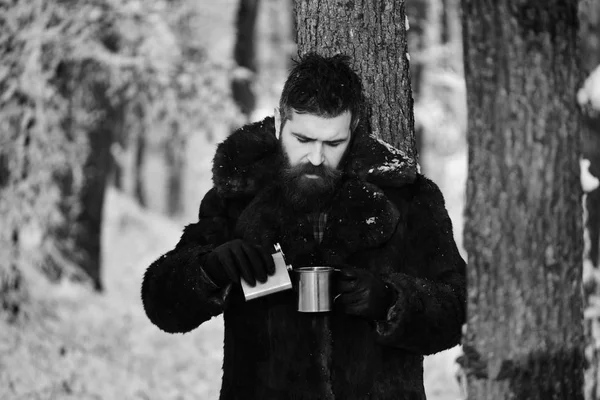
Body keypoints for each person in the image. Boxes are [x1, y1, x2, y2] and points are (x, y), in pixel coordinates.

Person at [141, 53, 466, 400]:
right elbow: (163, 306)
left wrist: (391, 301)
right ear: (281, 123)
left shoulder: (407, 197)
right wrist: (208, 269)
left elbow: (459, 309)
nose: (316, 158)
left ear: (353, 128)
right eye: (303, 140)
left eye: (333, 143)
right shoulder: (238, 196)